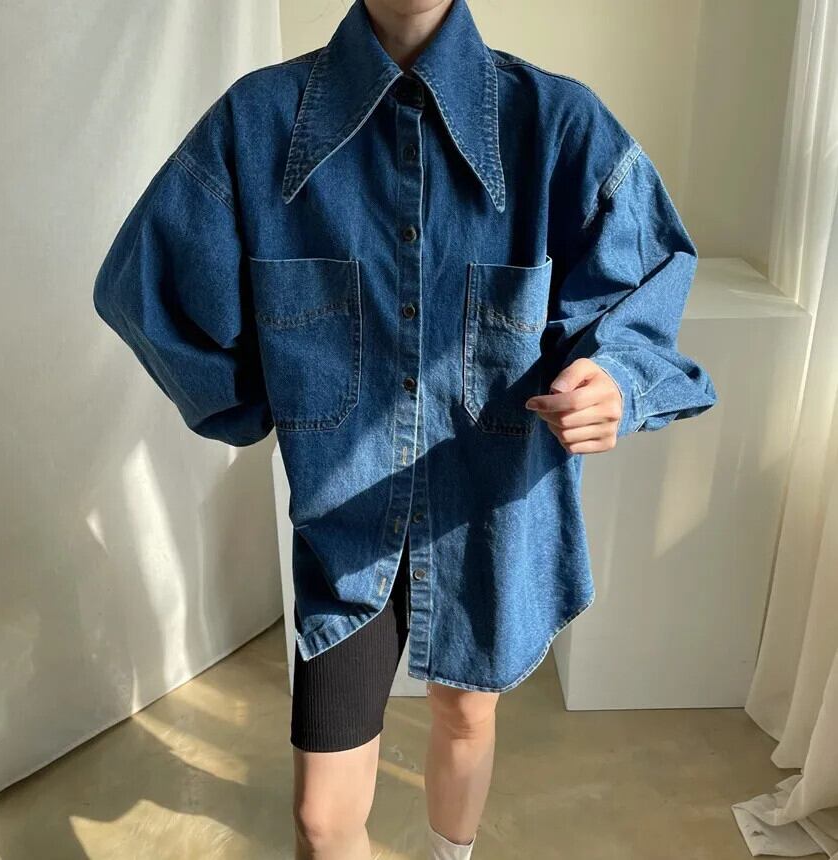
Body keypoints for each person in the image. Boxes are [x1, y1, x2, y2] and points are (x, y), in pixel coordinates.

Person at [92, 0, 718, 857]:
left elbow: (644, 279)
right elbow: (144, 288)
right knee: (322, 819)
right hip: (347, 532)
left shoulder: (557, 123)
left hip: (491, 514)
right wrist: (250, 397)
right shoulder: (257, 123)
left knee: (466, 714)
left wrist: (618, 379)